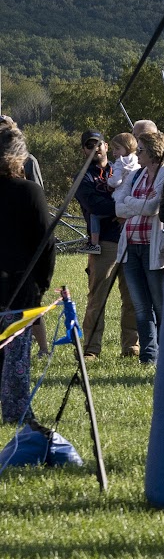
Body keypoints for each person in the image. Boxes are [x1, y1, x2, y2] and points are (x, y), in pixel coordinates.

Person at [0, 124, 55, 425]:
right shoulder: (29, 191)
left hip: (16, 282)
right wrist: (41, 283)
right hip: (18, 284)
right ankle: (15, 412)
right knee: (15, 357)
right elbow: (45, 242)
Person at [75, 130, 138, 360]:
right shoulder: (83, 177)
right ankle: (91, 349)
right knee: (97, 298)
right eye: (89, 145)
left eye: (98, 144)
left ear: (106, 146)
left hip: (130, 238)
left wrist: (126, 207)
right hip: (104, 243)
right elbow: (94, 205)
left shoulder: (123, 166)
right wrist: (124, 208)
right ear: (84, 150)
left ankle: (131, 347)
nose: (95, 149)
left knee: (131, 297)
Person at [113, 130, 164, 367]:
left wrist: (131, 203)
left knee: (160, 304)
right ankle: (148, 356)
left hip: (153, 248)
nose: (137, 153)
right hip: (131, 246)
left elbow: (153, 208)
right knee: (140, 306)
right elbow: (118, 207)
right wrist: (135, 203)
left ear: (153, 152)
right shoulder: (137, 174)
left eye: (141, 150)